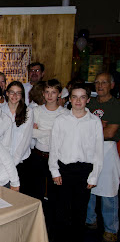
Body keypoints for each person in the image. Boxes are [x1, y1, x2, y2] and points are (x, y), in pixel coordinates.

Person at [49, 83, 103, 242]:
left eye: (82, 97)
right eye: (74, 97)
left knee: (80, 211)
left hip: (84, 171)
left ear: (87, 99)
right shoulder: (61, 120)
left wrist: (94, 177)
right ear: (69, 99)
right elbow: (54, 147)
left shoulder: (94, 122)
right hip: (63, 170)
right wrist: (54, 171)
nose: (78, 101)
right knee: (62, 211)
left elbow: (98, 152)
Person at [85, 73, 120, 242]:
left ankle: (111, 228)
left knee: (108, 192)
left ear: (111, 85)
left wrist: (94, 129)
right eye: (97, 83)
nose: (100, 86)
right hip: (89, 150)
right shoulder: (89, 103)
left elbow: (110, 132)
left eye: (104, 82)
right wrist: (100, 126)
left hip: (107, 150)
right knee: (89, 187)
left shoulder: (116, 105)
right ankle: (90, 220)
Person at [29, 79, 68, 202]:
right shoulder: (37, 111)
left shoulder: (65, 113)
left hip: (57, 156)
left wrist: (40, 132)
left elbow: (64, 137)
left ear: (59, 94)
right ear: (43, 93)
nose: (50, 96)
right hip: (39, 154)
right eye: (47, 92)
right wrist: (52, 133)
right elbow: (32, 133)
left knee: (55, 192)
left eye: (53, 92)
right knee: (36, 191)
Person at [1, 81, 33, 193]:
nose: (15, 96)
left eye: (18, 93)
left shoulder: (28, 111)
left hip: (21, 161)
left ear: (22, 96)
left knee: (19, 195)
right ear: (6, 93)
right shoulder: (0, 110)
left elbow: (26, 140)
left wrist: (13, 162)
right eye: (12, 92)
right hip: (3, 160)